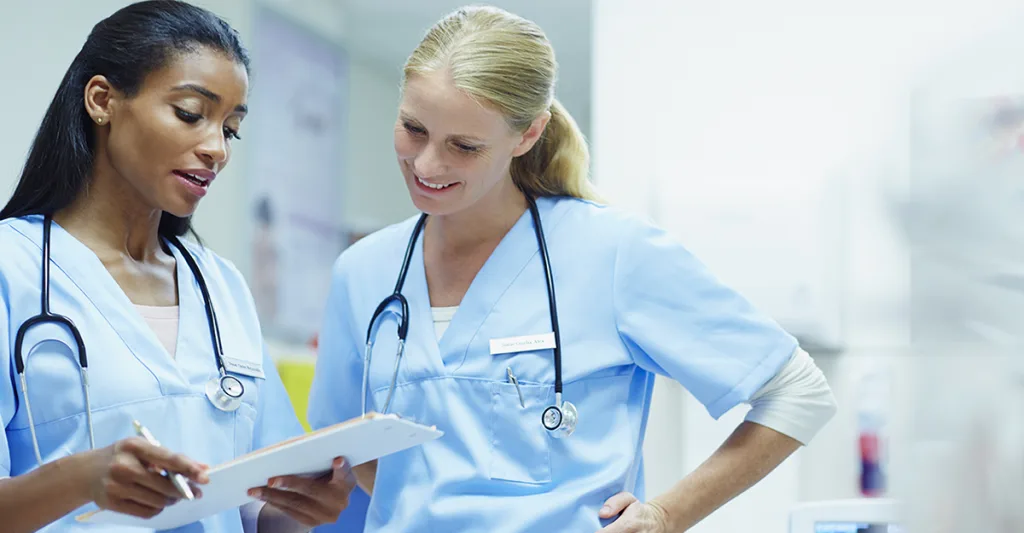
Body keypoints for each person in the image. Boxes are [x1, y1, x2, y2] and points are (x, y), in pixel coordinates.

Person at [307, 5, 837, 533]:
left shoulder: (611, 252)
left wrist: (667, 515)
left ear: (528, 135)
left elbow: (799, 393)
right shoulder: (363, 273)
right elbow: (350, 452)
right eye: (413, 129)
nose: (426, 165)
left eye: (464, 146)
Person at [0, 2, 354, 532]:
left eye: (231, 130)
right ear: (102, 101)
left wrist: (296, 510)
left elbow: (256, 496)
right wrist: (81, 480)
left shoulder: (220, 288)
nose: (216, 149)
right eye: (191, 113)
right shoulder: (13, 269)